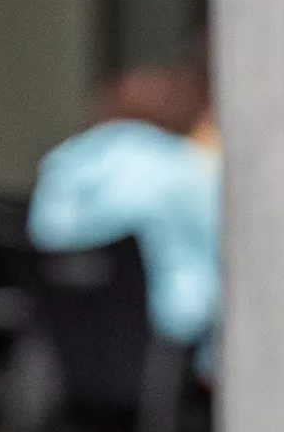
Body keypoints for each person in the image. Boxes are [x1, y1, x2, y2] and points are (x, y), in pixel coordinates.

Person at [27, 62, 223, 360]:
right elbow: (227, 256)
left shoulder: (63, 164)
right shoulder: (191, 167)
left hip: (69, 352)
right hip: (169, 353)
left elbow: (42, 237)